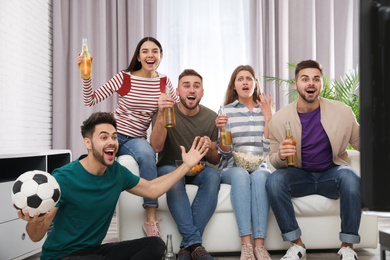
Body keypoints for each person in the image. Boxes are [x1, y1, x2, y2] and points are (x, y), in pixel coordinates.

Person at [16, 112, 209, 260]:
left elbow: (152, 189)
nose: (111, 142)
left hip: (94, 251)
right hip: (61, 256)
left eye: (114, 137)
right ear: (88, 143)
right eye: (104, 137)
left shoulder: (117, 172)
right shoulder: (63, 178)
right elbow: (36, 236)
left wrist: (186, 165)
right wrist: (35, 222)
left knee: (156, 245)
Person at [77, 37, 179, 238]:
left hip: (136, 139)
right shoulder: (124, 78)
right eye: (145, 51)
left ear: (160, 56)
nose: (150, 55)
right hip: (114, 135)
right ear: (139, 57)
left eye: (155, 51)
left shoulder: (164, 82)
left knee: (148, 154)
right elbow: (90, 99)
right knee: (92, 164)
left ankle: (150, 220)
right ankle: (83, 215)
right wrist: (85, 76)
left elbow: (179, 109)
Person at [266, 60, 361, 260]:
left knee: (351, 177)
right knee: (274, 181)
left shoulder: (342, 111)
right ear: (296, 84)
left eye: (316, 79)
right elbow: (273, 160)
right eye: (305, 79)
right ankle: (297, 245)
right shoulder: (279, 119)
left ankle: (347, 246)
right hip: (300, 175)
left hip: (332, 173)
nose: (311, 83)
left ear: (321, 83)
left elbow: (361, 141)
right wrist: (281, 155)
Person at [150, 69, 221, 260]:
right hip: (169, 167)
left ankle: (186, 247)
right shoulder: (166, 111)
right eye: (186, 85)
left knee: (213, 175)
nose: (192, 90)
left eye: (196, 86)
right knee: (171, 176)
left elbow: (215, 160)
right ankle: (196, 245)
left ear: (202, 92)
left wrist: (209, 148)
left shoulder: (210, 117)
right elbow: (156, 147)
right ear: (178, 91)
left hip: (199, 169)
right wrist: (161, 115)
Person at [215, 65, 273, 260]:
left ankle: (259, 246)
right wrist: (223, 132)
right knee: (240, 174)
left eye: (249, 78)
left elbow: (267, 149)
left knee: (259, 177)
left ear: (255, 84)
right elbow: (224, 152)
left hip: (260, 166)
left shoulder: (264, 110)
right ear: (234, 86)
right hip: (232, 167)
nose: (245, 82)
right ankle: (246, 245)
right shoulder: (226, 110)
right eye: (240, 79)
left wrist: (268, 117)